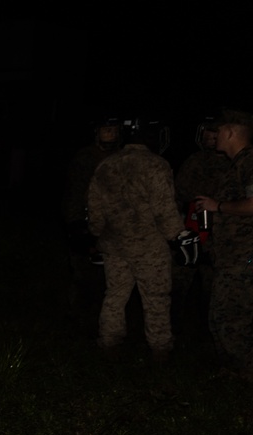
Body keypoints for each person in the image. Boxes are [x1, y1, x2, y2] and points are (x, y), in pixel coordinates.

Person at [86, 117, 193, 363]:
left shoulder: (106, 165)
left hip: (115, 243)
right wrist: (178, 236)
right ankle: (160, 349)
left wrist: (97, 232)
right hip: (149, 246)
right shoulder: (156, 165)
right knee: (155, 297)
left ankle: (109, 342)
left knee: (115, 294)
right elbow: (163, 208)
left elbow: (95, 207)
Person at [194, 108, 253, 381]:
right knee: (223, 314)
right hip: (232, 255)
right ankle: (233, 370)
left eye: (218, 132)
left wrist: (218, 206)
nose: (214, 136)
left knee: (231, 316)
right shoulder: (237, 164)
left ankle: (240, 373)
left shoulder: (249, 162)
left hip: (245, 256)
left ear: (230, 133)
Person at [60, 115, 122, 319]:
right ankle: (78, 316)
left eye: (114, 130)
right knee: (83, 273)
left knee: (111, 277)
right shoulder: (84, 158)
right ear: (97, 133)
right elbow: (74, 192)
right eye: (106, 130)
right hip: (85, 221)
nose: (110, 134)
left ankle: (102, 317)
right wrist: (76, 225)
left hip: (115, 225)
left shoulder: (123, 158)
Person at [171, 116, 227, 342]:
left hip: (219, 235)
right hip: (192, 231)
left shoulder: (235, 163)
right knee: (178, 284)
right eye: (205, 132)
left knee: (212, 290)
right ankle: (172, 330)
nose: (208, 137)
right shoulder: (194, 160)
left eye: (213, 132)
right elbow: (178, 193)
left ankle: (207, 335)